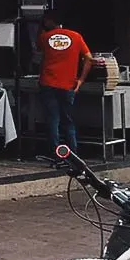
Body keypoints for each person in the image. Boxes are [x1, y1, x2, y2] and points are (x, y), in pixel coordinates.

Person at [37, 10, 93, 155]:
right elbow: (89, 58)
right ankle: (73, 154)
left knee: (52, 120)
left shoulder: (44, 37)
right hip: (68, 85)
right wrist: (81, 80)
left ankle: (56, 154)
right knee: (68, 120)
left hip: (48, 84)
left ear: (50, 21)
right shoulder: (76, 36)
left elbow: (37, 54)